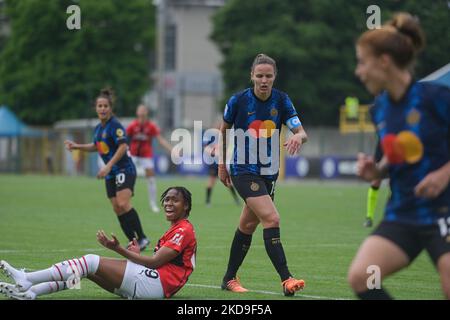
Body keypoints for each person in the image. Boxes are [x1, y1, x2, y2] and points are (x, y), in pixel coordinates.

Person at [348, 13, 450, 299]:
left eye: (362, 62)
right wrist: (376, 171)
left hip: (444, 212)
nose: (359, 71)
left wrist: (443, 175)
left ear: (384, 61)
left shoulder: (435, 99)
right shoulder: (379, 109)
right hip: (404, 213)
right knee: (362, 277)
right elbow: (397, 159)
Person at [0, 187, 196, 300]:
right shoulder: (178, 228)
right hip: (155, 285)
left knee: (90, 261)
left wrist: (117, 248)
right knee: (84, 272)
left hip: (155, 286)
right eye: (166, 199)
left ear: (185, 205)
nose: (169, 203)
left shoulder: (183, 230)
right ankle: (32, 293)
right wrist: (136, 253)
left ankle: (27, 278)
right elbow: (160, 263)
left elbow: (154, 263)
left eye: (175, 200)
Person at [218, 53, 308, 296]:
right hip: (243, 170)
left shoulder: (281, 100)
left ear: (274, 77)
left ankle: (228, 278)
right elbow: (223, 131)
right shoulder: (238, 101)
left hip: (268, 173)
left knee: (247, 225)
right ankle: (287, 279)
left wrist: (297, 136)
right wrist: (221, 164)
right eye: (259, 75)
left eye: (268, 76)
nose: (264, 80)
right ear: (252, 76)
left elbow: (301, 132)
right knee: (272, 218)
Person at [64, 88, 150, 250]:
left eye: (105, 106)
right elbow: (96, 146)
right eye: (100, 106)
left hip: (124, 169)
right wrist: (77, 146)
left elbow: (123, 146)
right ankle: (133, 241)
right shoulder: (98, 129)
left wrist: (108, 165)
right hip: (111, 173)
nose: (102, 109)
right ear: (95, 109)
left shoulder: (115, 126)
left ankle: (143, 237)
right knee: (116, 207)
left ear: (110, 108)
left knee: (123, 203)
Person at [126, 105, 173, 213]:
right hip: (133, 155)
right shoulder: (132, 126)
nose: (141, 112)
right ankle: (127, 202)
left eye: (143, 110)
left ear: (146, 112)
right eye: (140, 110)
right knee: (128, 178)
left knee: (151, 179)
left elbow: (160, 139)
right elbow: (125, 140)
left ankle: (153, 204)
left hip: (146, 156)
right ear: (137, 112)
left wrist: (171, 149)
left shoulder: (151, 126)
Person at [203, 122, 240, 206]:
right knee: (211, 181)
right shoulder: (212, 136)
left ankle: (236, 200)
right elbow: (206, 147)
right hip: (214, 162)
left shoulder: (226, 137)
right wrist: (214, 152)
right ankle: (207, 201)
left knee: (229, 182)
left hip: (224, 162)